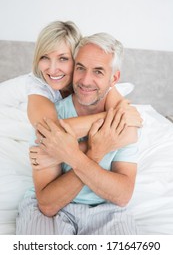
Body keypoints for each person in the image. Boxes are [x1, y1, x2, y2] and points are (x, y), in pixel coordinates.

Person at [16, 32, 141, 235]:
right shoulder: (51, 119)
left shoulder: (125, 118)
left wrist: (76, 155)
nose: (85, 80)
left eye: (98, 72)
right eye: (81, 68)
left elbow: (122, 195)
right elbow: (47, 204)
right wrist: (95, 150)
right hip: (54, 211)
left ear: (114, 78)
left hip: (107, 210)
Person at [26, 20, 142, 169]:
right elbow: (51, 135)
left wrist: (58, 157)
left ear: (77, 60)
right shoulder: (38, 86)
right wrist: (109, 118)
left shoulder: (89, 81)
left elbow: (131, 132)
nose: (53, 69)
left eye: (63, 58)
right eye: (44, 57)